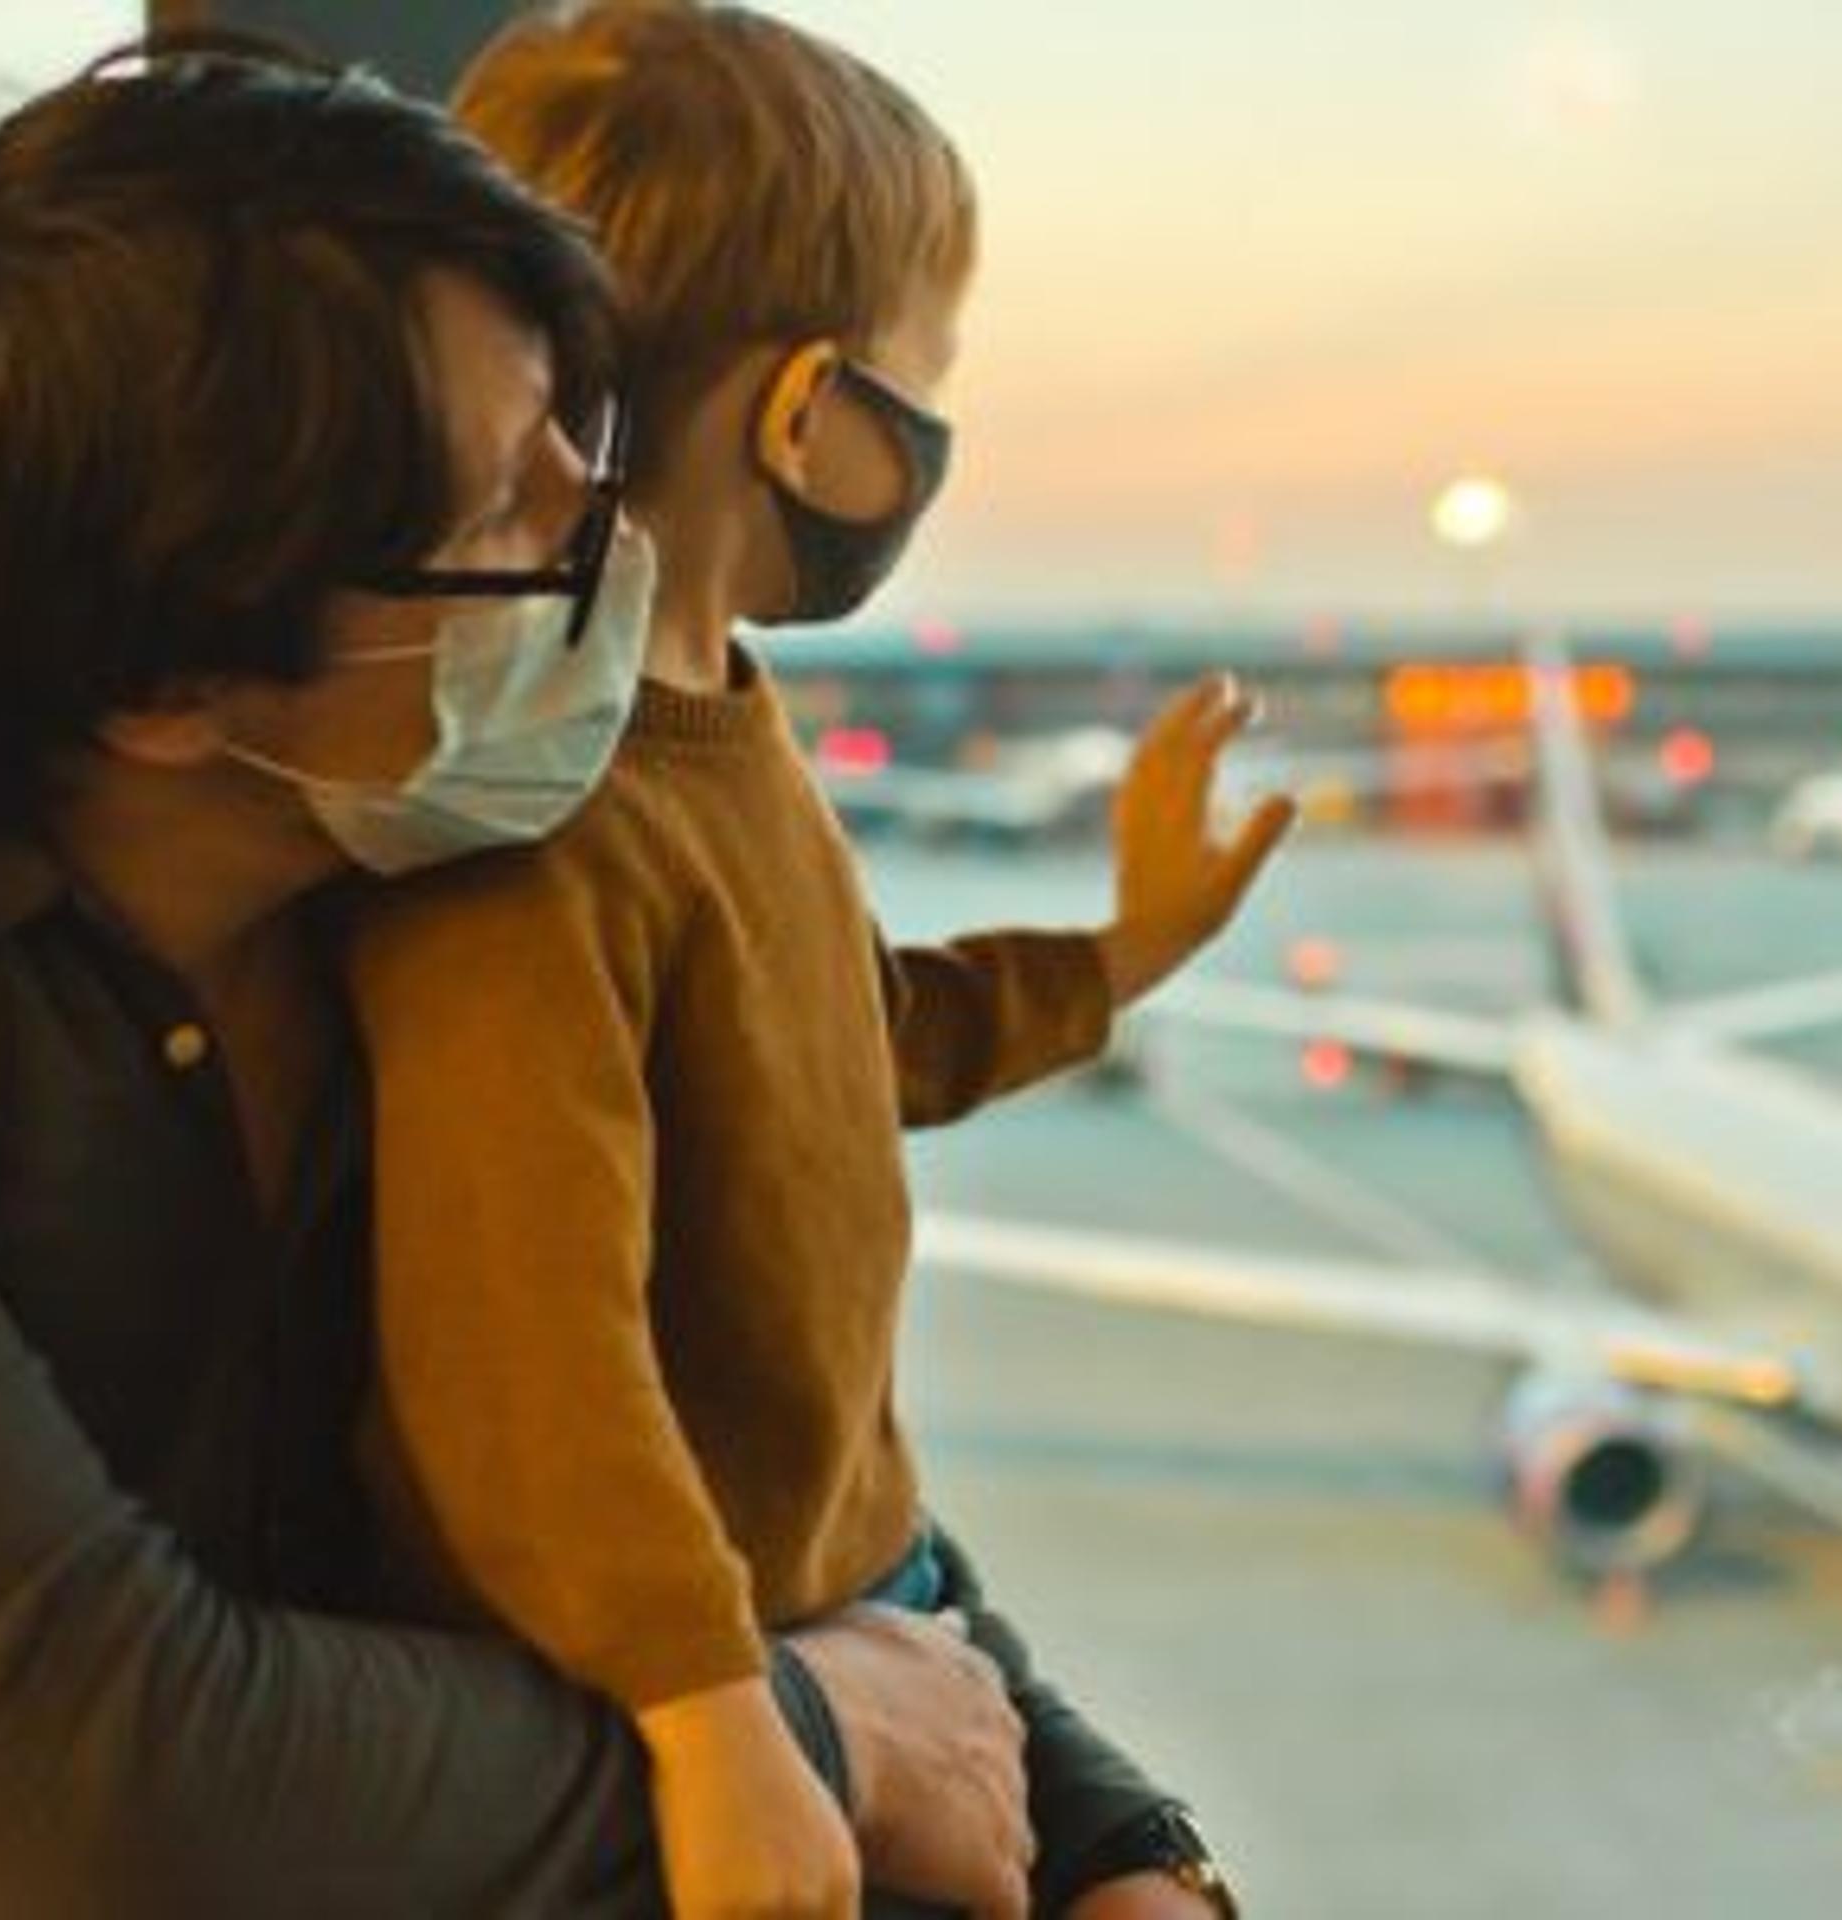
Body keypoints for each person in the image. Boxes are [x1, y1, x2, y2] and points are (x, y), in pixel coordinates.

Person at [0, 39, 1106, 1914]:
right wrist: (805, 1743)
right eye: (513, 504)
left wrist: (1107, 1833)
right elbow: (107, 1783)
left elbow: (746, 1430)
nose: (609, 531)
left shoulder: (382, 850)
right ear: (175, 675)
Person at [339, 7, 1288, 1915]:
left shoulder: (720, 720)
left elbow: (843, 1040)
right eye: (929, 373)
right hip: (703, 1702)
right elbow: (525, 1351)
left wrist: (1120, 951)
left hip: (863, 1611)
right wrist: (712, 1712)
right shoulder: (552, 821)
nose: (939, 427)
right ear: (808, 413)